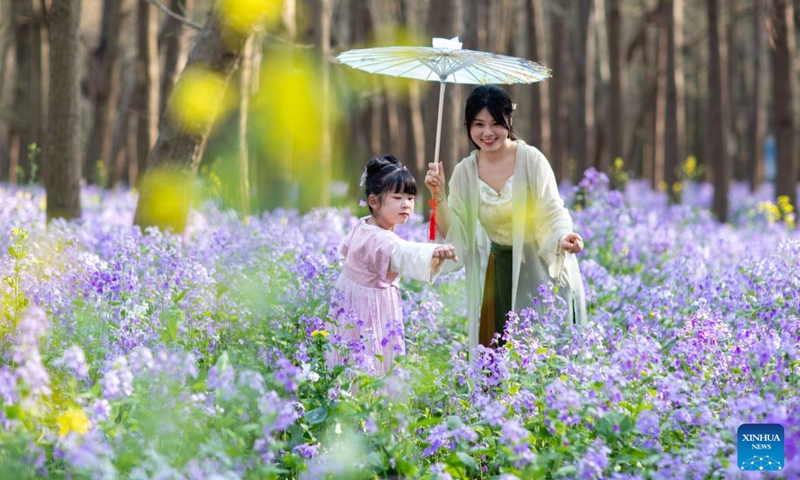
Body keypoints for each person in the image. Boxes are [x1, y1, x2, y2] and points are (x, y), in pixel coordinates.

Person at [424, 85, 587, 355]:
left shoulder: (531, 160)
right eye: (479, 124)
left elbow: (553, 209)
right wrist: (439, 195)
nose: (488, 133)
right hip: (499, 271)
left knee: (544, 352)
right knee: (498, 357)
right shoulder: (465, 171)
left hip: (540, 265)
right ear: (469, 126)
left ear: (509, 121)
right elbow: (456, 231)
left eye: (496, 123)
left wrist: (563, 236)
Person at [330, 154, 458, 376]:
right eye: (397, 197)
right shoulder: (380, 239)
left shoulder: (363, 225)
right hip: (369, 312)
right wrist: (434, 251)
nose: (406, 204)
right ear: (374, 201)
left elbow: (345, 248)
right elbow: (402, 252)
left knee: (350, 364)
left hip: (351, 304)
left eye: (410, 198)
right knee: (372, 365)